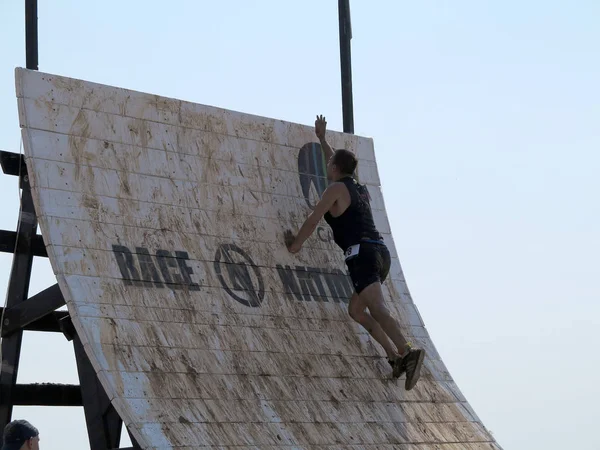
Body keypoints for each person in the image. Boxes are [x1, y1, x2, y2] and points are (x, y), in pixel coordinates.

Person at [285, 115, 425, 390]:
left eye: (329, 164)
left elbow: (314, 218)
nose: (326, 166)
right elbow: (337, 161)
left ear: (335, 168)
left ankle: (408, 351)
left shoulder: (336, 188)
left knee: (377, 308)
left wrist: (296, 245)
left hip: (362, 255)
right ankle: (395, 358)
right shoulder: (357, 186)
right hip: (379, 253)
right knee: (357, 310)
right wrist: (323, 139)